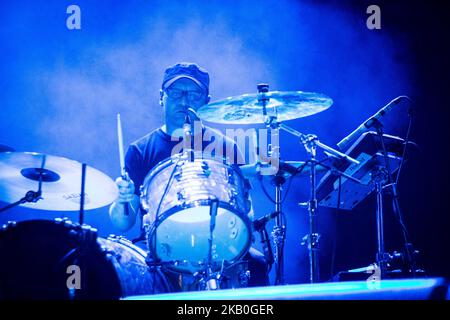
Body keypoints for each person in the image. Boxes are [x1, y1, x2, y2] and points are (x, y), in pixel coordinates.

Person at [109, 62, 269, 291]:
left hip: (219, 248)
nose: (184, 101)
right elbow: (124, 223)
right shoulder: (140, 150)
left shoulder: (227, 147)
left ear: (207, 101)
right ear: (161, 97)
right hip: (163, 253)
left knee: (257, 263)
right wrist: (122, 200)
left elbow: (247, 211)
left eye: (193, 94)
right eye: (176, 93)